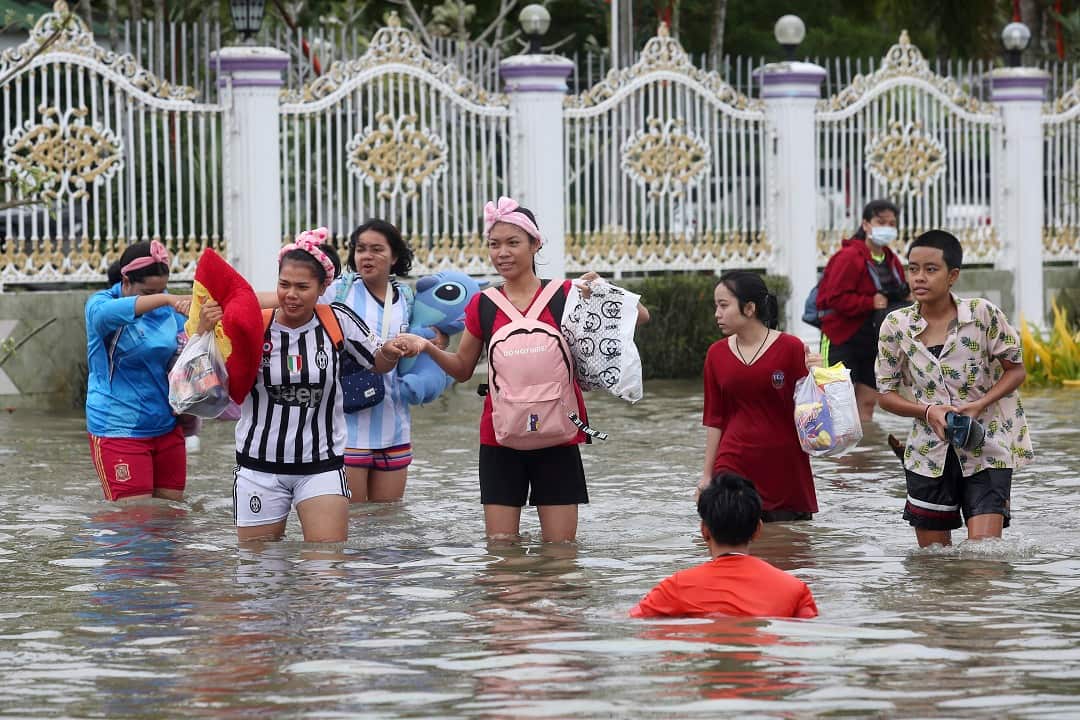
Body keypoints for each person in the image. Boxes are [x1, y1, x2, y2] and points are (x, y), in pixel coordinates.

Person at [418, 196, 648, 542]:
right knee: (501, 553)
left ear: (535, 244)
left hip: (558, 436)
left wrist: (603, 292)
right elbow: (463, 369)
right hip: (499, 438)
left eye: (513, 243)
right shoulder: (482, 304)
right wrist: (426, 348)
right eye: (494, 245)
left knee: (561, 551)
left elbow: (640, 317)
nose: (502, 253)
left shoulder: (567, 293)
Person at [231, 229, 421, 543]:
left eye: (302, 287)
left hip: (321, 467)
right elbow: (220, 381)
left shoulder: (338, 319)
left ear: (323, 287)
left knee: (327, 571)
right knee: (259, 575)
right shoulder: (255, 324)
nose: (291, 294)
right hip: (258, 468)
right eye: (284, 284)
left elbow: (378, 361)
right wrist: (207, 325)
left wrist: (391, 350)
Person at [876, 230, 1033, 548]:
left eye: (931, 269)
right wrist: (927, 411)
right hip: (927, 455)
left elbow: (1016, 371)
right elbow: (885, 395)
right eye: (913, 268)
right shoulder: (896, 326)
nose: (919, 277)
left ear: (953, 276)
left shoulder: (982, 315)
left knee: (984, 558)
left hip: (986, 447)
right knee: (934, 566)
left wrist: (979, 405)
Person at [320, 220, 452, 504]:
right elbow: (296, 300)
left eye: (377, 249)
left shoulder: (405, 296)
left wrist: (437, 339)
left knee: (388, 521)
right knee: (353, 521)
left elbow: (431, 334)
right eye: (361, 249)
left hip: (395, 424)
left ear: (394, 256)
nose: (366, 256)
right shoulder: (338, 292)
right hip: (346, 425)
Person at [85, 240, 207, 502]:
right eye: (148, 292)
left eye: (162, 289)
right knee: (134, 521)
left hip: (165, 427)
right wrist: (165, 297)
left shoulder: (172, 313)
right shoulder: (100, 306)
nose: (156, 298)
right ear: (125, 280)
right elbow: (102, 316)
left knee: (170, 519)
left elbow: (188, 357)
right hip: (117, 429)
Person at [701, 270, 820, 521]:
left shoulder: (792, 348)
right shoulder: (716, 354)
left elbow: (812, 411)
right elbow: (714, 419)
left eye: (724, 305)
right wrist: (707, 475)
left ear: (750, 308)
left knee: (788, 550)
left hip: (784, 467)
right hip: (731, 461)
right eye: (716, 306)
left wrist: (818, 376)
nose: (717, 314)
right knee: (732, 538)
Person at [630, 473, 818, 619]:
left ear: (704, 530)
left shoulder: (675, 588)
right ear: (758, 529)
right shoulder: (794, 590)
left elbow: (631, 620)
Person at [817, 199, 910, 421]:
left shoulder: (891, 259)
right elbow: (833, 298)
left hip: (871, 341)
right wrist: (869, 302)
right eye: (881, 222)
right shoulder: (849, 257)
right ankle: (841, 457)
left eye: (891, 223)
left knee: (867, 403)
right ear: (866, 225)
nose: (887, 227)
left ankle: (863, 455)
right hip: (841, 338)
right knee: (839, 407)